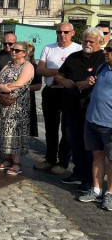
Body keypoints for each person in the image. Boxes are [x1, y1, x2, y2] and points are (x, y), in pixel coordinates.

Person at [55, 27, 105, 192]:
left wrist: (90, 82)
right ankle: (77, 172)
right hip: (71, 106)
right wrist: (63, 81)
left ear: (100, 43)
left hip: (91, 109)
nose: (87, 44)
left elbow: (105, 78)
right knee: (73, 141)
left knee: (89, 146)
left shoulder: (102, 59)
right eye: (85, 41)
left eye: (91, 41)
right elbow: (59, 75)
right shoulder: (74, 56)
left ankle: (89, 179)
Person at [35, 23, 82, 175]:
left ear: (72, 33)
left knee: (67, 129)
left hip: (68, 92)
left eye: (66, 32)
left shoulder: (78, 49)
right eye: (59, 31)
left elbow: (77, 72)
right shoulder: (49, 48)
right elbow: (40, 69)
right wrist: (60, 72)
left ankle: (62, 162)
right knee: (50, 127)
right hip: (51, 91)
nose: (62, 34)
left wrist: (55, 74)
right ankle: (49, 159)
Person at [0, 41, 35, 175]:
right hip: (2, 103)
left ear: (24, 53)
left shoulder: (28, 66)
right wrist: (0, 87)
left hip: (17, 105)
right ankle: (7, 159)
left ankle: (16, 162)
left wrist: (3, 88)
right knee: (4, 130)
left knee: (14, 131)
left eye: (17, 50)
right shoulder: (8, 65)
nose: (13, 52)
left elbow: (20, 83)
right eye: (12, 49)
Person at [78, 40, 112, 210]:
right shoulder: (102, 68)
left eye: (110, 50)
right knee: (97, 156)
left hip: (109, 124)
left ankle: (110, 194)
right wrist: (90, 80)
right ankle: (97, 190)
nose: (106, 52)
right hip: (92, 120)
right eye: (106, 49)